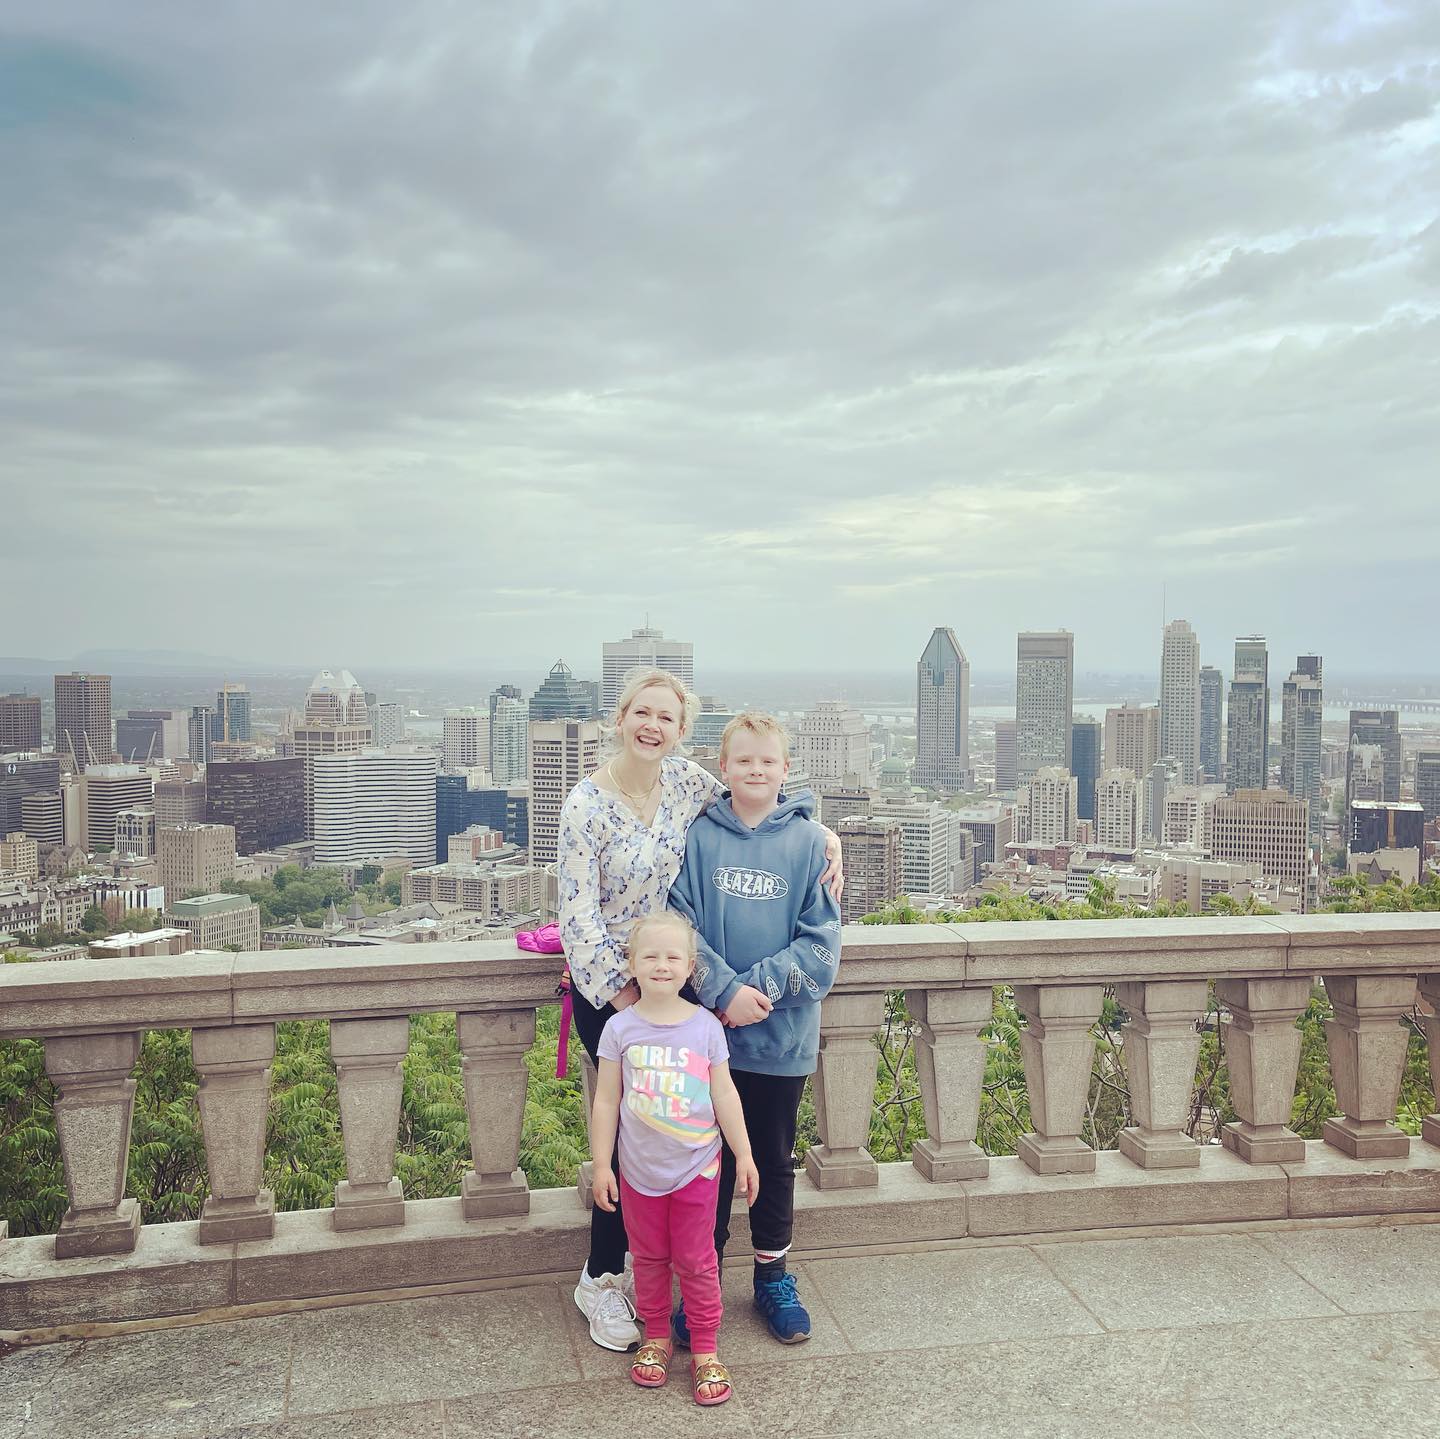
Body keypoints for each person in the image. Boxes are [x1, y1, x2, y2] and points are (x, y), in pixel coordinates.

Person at [558, 669, 843, 1352]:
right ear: (621, 716)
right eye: (642, 713)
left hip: (699, 1003)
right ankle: (609, 1279)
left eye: (667, 717)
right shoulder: (585, 804)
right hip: (625, 996)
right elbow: (578, 921)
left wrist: (825, 833)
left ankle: (726, 1275)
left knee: (727, 1147)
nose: (653, 726)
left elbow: (765, 797)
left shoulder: (688, 784)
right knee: (639, 1139)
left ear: (682, 731)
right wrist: (642, 1001)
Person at [668, 711, 841, 1347]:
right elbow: (676, 923)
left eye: (768, 761)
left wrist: (755, 991)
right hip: (707, 1038)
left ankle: (773, 1275)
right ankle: (702, 1284)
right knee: (705, 1166)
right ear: (725, 767)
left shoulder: (809, 845)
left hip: (779, 1042)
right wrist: (721, 991)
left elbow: (822, 946)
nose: (757, 770)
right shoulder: (699, 840)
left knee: (770, 1159)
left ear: (785, 769)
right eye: (744, 761)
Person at [590, 911, 758, 1406]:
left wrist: (744, 1155)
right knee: (647, 1258)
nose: (661, 965)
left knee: (697, 1260)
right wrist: (603, 1165)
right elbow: (606, 1100)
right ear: (632, 964)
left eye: (672, 957)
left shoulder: (705, 1027)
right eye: (650, 956)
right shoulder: (619, 1029)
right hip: (638, 1170)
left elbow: (724, 1095)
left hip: (697, 1168)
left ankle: (705, 1347)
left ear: (689, 966)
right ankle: (657, 1336)